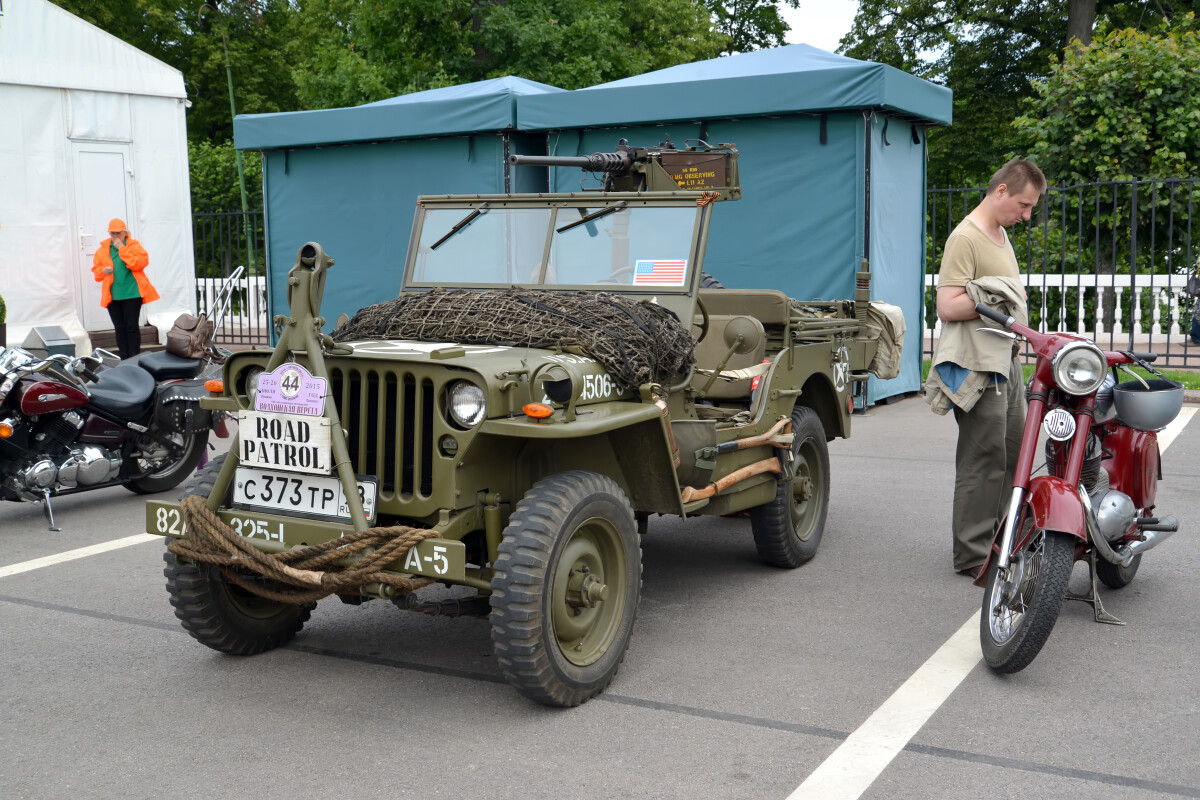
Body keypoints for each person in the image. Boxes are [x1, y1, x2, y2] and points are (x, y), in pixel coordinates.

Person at [924, 159, 1046, 578]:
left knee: (1013, 455)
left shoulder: (1000, 236)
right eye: (1024, 204)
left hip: (1005, 362)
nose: (1026, 214)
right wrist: (998, 299)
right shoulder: (966, 238)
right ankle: (974, 556)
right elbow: (947, 305)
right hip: (978, 366)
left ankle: (1001, 541)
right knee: (983, 459)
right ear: (1000, 192)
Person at [92, 218, 159, 359]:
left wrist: (122, 248)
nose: (116, 237)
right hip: (113, 295)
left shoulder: (134, 246)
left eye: (118, 233)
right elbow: (96, 271)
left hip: (132, 293)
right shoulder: (103, 249)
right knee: (119, 328)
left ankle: (134, 357)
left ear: (125, 233)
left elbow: (139, 264)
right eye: (113, 233)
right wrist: (103, 271)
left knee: (131, 326)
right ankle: (124, 358)